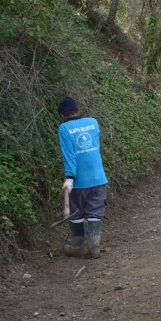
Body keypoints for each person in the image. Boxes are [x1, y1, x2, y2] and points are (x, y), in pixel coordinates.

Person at [58, 97, 108, 259]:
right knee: (95, 211)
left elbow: (69, 155)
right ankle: (94, 247)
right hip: (98, 177)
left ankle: (78, 247)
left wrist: (69, 177)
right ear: (78, 110)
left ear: (62, 116)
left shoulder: (64, 128)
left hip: (79, 181)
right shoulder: (93, 122)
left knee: (76, 213)